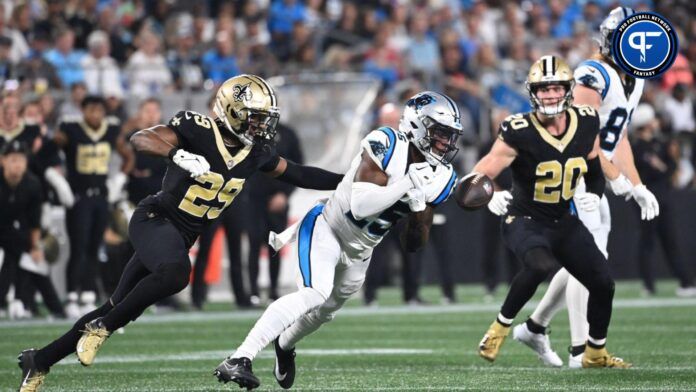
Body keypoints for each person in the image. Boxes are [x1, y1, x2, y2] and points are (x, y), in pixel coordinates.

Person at [16, 74, 344, 392]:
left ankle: (40, 360)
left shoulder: (256, 153)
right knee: (175, 275)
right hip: (154, 219)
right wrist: (176, 154)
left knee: (116, 304)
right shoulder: (197, 129)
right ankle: (102, 329)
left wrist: (350, 180)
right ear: (232, 113)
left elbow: (300, 174)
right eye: (255, 118)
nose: (262, 127)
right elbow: (140, 138)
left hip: (180, 236)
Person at [213, 91, 461, 390]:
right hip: (327, 227)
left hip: (362, 250)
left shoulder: (441, 175)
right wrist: (407, 184)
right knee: (313, 293)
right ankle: (240, 357)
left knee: (324, 312)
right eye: (440, 133)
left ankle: (285, 345)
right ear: (417, 125)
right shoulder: (387, 142)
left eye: (450, 136)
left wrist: (420, 207)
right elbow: (360, 206)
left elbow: (413, 244)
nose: (445, 143)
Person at [510, 7, 662, 368]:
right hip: (571, 172)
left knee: (588, 258)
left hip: (592, 174)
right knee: (590, 259)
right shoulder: (592, 74)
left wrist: (637, 184)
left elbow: (618, 135)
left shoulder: (633, 79)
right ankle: (582, 350)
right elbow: (584, 139)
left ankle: (535, 326)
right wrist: (616, 179)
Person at [474, 55, 630, 369]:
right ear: (532, 93)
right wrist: (490, 194)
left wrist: (595, 195)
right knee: (539, 265)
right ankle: (499, 328)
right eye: (543, 89)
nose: (549, 95)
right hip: (525, 218)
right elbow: (480, 173)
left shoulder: (586, 120)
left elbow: (594, 166)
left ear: (568, 90)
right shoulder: (519, 129)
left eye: (556, 88)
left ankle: (595, 352)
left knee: (602, 283)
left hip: (563, 219)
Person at [55, 95, 134, 318]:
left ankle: (88, 294)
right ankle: (72, 295)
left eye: (99, 110)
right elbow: (47, 153)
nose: (96, 115)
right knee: (78, 247)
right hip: (78, 197)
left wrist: (118, 180)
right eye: (91, 110)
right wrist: (57, 179)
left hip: (101, 196)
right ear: (83, 111)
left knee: (94, 247)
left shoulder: (110, 130)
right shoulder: (70, 129)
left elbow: (128, 156)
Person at [630, 104, 696, 296]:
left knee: (670, 240)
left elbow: (670, 169)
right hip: (645, 201)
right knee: (647, 241)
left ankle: (686, 282)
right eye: (652, 119)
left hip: (664, 199)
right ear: (646, 123)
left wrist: (667, 165)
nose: (656, 122)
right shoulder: (636, 148)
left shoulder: (661, 144)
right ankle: (648, 285)